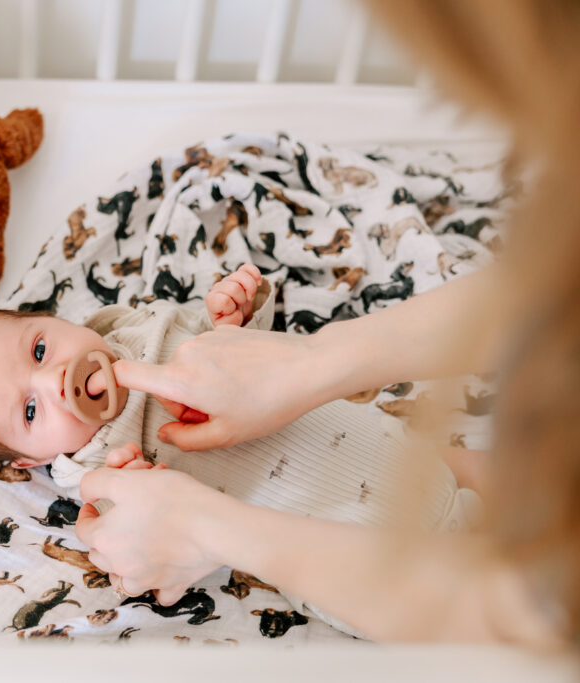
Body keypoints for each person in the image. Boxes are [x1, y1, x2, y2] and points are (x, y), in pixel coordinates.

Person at [73, 0, 580, 647]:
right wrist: (313, 360)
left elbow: (519, 612)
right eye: (24, 410)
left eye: (37, 349)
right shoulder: (98, 459)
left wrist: (206, 527)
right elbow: (549, 287)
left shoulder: (137, 333)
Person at [0, 263, 484, 634]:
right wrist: (139, 492)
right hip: (348, 547)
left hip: (392, 451)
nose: (55, 382)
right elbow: (150, 543)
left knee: (473, 468)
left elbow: (248, 358)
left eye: (40, 350)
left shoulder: (146, 329)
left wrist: (236, 317)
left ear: (52, 320)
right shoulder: (105, 472)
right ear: (30, 461)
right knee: (452, 606)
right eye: (30, 411)